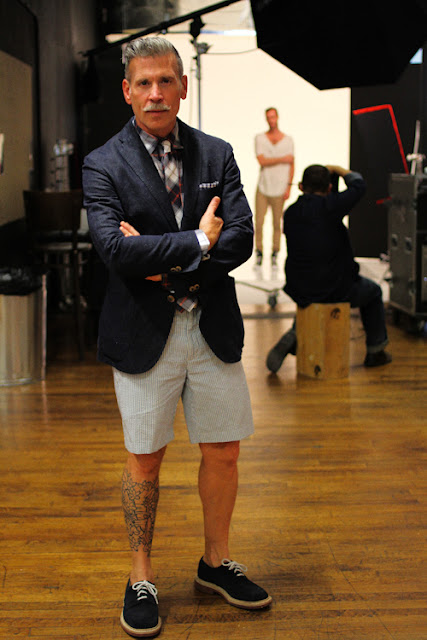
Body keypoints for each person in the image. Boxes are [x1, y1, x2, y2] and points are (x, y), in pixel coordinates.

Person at [82, 37, 271, 638]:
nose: (156, 93)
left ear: (183, 86)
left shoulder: (217, 153)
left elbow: (239, 238)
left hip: (210, 325)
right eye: (144, 83)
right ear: (127, 90)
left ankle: (215, 563)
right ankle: (141, 576)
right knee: (145, 457)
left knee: (224, 450)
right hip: (144, 330)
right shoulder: (102, 163)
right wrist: (196, 242)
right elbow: (115, 251)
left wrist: (161, 259)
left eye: (166, 80)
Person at [266, 164, 392, 373]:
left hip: (299, 287)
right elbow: (359, 186)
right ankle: (376, 351)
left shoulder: (290, 213)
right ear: (329, 188)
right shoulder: (331, 207)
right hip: (335, 288)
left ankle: (298, 332)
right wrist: (337, 169)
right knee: (373, 292)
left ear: (300, 187)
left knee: (313, 290)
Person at [254, 107, 294, 269]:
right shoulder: (260, 138)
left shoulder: (288, 140)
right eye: (268, 117)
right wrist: (283, 158)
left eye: (273, 117)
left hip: (280, 186)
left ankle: (275, 253)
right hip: (264, 186)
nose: (271, 120)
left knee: (277, 223)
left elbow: (292, 163)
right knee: (259, 222)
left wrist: (289, 186)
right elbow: (262, 161)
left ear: (277, 117)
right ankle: (259, 252)